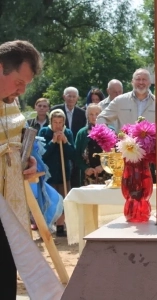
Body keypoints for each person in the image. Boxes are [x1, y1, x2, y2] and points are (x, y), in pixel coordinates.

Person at [0, 40, 42, 299]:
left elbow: (13, 141)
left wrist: (26, 161)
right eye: (19, 82)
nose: (22, 90)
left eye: (26, 84)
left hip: (9, 210)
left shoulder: (10, 101)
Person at [39, 109, 75, 237]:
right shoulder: (44, 132)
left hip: (64, 173)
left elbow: (72, 154)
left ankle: (60, 226)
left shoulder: (68, 133)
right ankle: (47, 226)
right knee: (49, 200)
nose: (58, 125)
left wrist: (65, 142)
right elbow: (42, 155)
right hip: (49, 175)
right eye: (55, 122)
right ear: (51, 122)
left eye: (60, 122)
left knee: (64, 199)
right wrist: (53, 142)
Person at [75, 104, 112, 186]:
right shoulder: (82, 133)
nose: (94, 116)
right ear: (87, 116)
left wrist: (103, 166)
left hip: (107, 176)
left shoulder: (109, 131)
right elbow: (76, 155)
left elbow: (115, 154)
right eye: (91, 114)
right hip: (87, 177)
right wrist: (85, 169)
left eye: (97, 114)